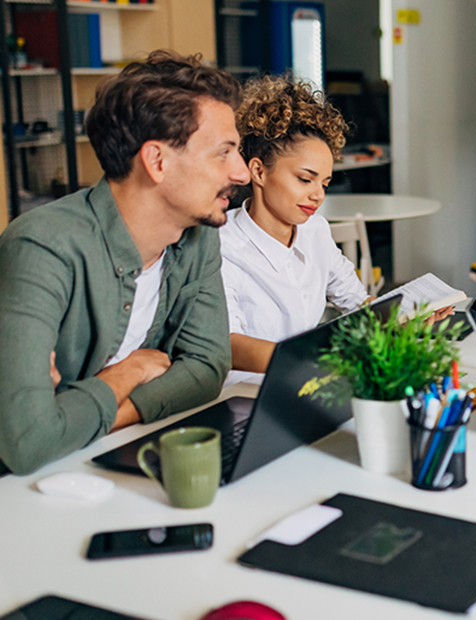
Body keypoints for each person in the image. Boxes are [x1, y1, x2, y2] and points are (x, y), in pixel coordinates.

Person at [0, 51, 249, 475]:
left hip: (100, 457)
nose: (242, 173)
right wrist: (128, 374)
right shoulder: (43, 246)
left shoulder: (198, 237)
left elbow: (208, 368)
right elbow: (27, 442)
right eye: (223, 153)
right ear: (156, 162)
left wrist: (79, 416)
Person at [220, 76, 450, 385]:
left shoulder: (315, 230)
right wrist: (321, 357)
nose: (319, 195)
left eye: (324, 183)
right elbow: (229, 345)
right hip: (246, 394)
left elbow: (357, 303)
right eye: (305, 179)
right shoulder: (223, 246)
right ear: (258, 171)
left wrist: (407, 320)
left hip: (311, 386)